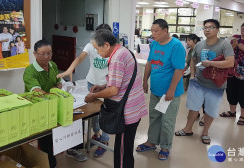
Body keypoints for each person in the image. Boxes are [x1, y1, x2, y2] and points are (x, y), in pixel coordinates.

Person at [84, 29, 148, 168]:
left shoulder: (116, 58)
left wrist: (94, 96)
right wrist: (102, 86)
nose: (98, 53)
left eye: (97, 49)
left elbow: (113, 90)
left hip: (127, 112)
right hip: (134, 106)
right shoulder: (123, 51)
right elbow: (120, 80)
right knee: (125, 147)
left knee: (122, 151)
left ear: (106, 45)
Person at [23, 40, 86, 168]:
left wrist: (58, 88)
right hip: (39, 107)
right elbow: (37, 92)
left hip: (55, 103)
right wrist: (56, 94)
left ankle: (72, 149)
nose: (46, 57)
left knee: (77, 119)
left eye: (49, 53)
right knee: (46, 136)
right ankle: (50, 162)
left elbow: (58, 82)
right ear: (35, 54)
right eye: (42, 54)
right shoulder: (30, 71)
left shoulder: (52, 65)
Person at [175, 19, 234, 145]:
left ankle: (205, 132)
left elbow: (230, 62)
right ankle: (188, 129)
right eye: (205, 27)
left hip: (216, 85)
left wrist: (211, 63)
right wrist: (192, 75)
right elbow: (193, 59)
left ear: (217, 30)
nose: (207, 29)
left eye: (211, 27)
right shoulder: (199, 45)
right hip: (198, 82)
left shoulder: (224, 45)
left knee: (210, 110)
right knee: (193, 108)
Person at [57, 24, 112, 158]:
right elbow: (80, 58)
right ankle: (97, 134)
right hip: (92, 83)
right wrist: (70, 69)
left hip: (107, 85)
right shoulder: (91, 45)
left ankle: (104, 140)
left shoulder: (113, 49)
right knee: (93, 111)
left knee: (105, 113)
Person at [136, 19, 186, 161]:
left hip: (169, 93)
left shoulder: (176, 46)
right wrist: (145, 81)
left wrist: (171, 90)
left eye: (156, 31)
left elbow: (179, 69)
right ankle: (151, 141)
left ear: (165, 30)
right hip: (156, 90)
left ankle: (165, 147)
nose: (153, 34)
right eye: (151, 31)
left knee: (167, 121)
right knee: (154, 117)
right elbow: (149, 63)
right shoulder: (155, 44)